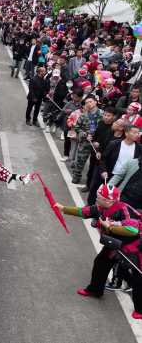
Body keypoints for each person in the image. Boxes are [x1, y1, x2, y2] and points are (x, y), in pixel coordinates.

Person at [55, 184, 142, 319]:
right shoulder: (100, 207)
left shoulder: (124, 210)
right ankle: (95, 290)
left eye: (99, 197)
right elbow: (84, 211)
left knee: (138, 277)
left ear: (109, 200)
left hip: (135, 247)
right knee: (101, 262)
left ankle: (140, 309)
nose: (96, 199)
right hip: (114, 244)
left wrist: (111, 228)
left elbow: (133, 230)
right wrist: (63, 209)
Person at [72, 94, 103, 184]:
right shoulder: (83, 115)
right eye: (86, 103)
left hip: (97, 143)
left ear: (95, 102)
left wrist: (98, 139)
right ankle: (76, 176)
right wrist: (84, 134)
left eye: (90, 102)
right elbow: (77, 127)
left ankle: (91, 181)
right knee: (80, 160)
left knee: (95, 163)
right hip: (85, 142)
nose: (89, 104)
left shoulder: (102, 114)